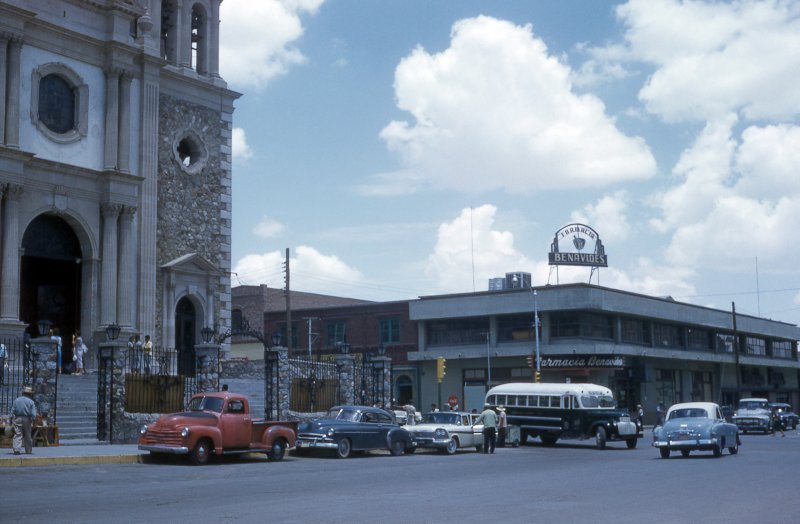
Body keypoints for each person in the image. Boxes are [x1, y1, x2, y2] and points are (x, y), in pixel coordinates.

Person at [11, 386, 37, 455]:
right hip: (27, 419)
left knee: (18, 434)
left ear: (23, 393)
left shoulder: (17, 400)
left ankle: (16, 449)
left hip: (18, 418)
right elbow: (34, 414)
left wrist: (11, 419)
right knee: (28, 435)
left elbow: (12, 411)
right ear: (30, 394)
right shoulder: (31, 402)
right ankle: (28, 450)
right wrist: (33, 420)